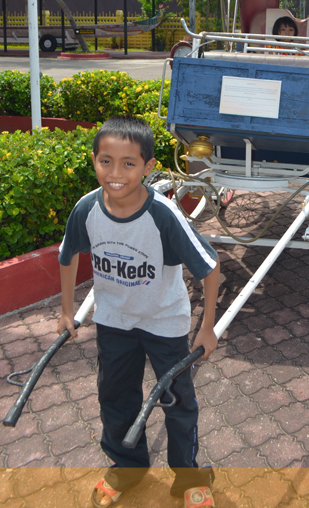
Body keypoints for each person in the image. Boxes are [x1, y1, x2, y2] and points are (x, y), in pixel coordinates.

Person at [57, 116, 220, 508]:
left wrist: (207, 328)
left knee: (177, 401)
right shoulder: (87, 209)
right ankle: (127, 467)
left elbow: (211, 269)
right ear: (94, 161)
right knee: (114, 395)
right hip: (114, 322)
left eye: (129, 163)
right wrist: (66, 311)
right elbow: (67, 257)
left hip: (165, 323)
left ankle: (188, 476)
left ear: (147, 168)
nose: (115, 173)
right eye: (106, 161)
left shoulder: (163, 214)